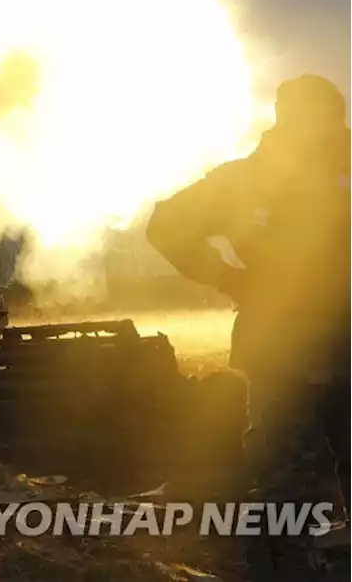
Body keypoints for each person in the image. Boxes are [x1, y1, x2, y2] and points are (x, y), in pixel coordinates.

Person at [146, 74, 352, 564]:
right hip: (282, 359)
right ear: (283, 117)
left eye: (324, 115)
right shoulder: (245, 180)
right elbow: (167, 223)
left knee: (284, 487)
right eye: (304, 114)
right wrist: (230, 278)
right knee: (283, 493)